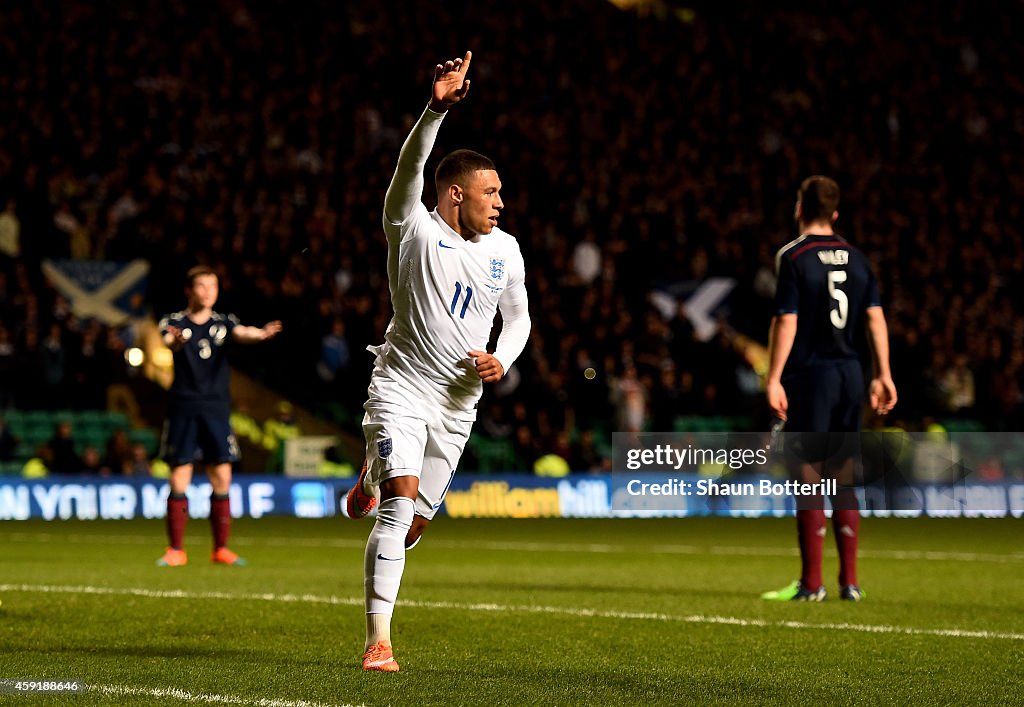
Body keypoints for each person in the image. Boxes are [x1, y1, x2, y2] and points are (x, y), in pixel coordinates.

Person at [344, 51, 531, 672]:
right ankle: (379, 641)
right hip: (401, 383)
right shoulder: (415, 228)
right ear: (456, 194)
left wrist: (502, 357)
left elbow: (520, 319)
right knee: (400, 505)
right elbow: (407, 174)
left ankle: (371, 474)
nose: (501, 202)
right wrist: (434, 111)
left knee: (415, 525)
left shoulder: (506, 250)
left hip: (457, 405)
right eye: (491, 192)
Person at [762, 176, 897, 602]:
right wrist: (883, 374)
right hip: (850, 374)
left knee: (807, 475)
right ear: (835, 213)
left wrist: (773, 377)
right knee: (843, 476)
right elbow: (875, 317)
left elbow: (787, 319)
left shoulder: (793, 255)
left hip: (812, 375)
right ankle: (850, 582)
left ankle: (812, 583)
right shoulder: (858, 259)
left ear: (799, 207)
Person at [156, 265, 282, 567]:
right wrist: (175, 342)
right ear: (189, 290)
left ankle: (221, 549)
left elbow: (243, 333)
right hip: (183, 405)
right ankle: (176, 550)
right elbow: (167, 341)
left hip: (215, 407)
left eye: (213, 286)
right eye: (202, 286)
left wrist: (261, 334)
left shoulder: (223, 323)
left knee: (222, 476)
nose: (208, 291)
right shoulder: (174, 322)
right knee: (180, 475)